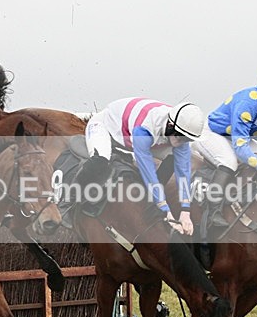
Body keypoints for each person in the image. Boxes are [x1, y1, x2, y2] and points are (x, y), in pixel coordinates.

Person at [193, 64, 257, 227]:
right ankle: (212, 210)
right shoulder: (247, 103)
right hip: (212, 133)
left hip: (236, 137)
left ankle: (246, 201)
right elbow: (241, 149)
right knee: (229, 161)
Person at [83, 98, 205, 235]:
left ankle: (147, 197)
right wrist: (165, 210)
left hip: (138, 136)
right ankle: (70, 199)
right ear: (170, 125)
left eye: (187, 139)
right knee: (101, 159)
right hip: (106, 127)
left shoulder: (179, 134)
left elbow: (183, 173)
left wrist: (185, 211)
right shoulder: (145, 128)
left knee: (175, 157)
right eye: (180, 136)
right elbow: (148, 172)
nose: (181, 141)